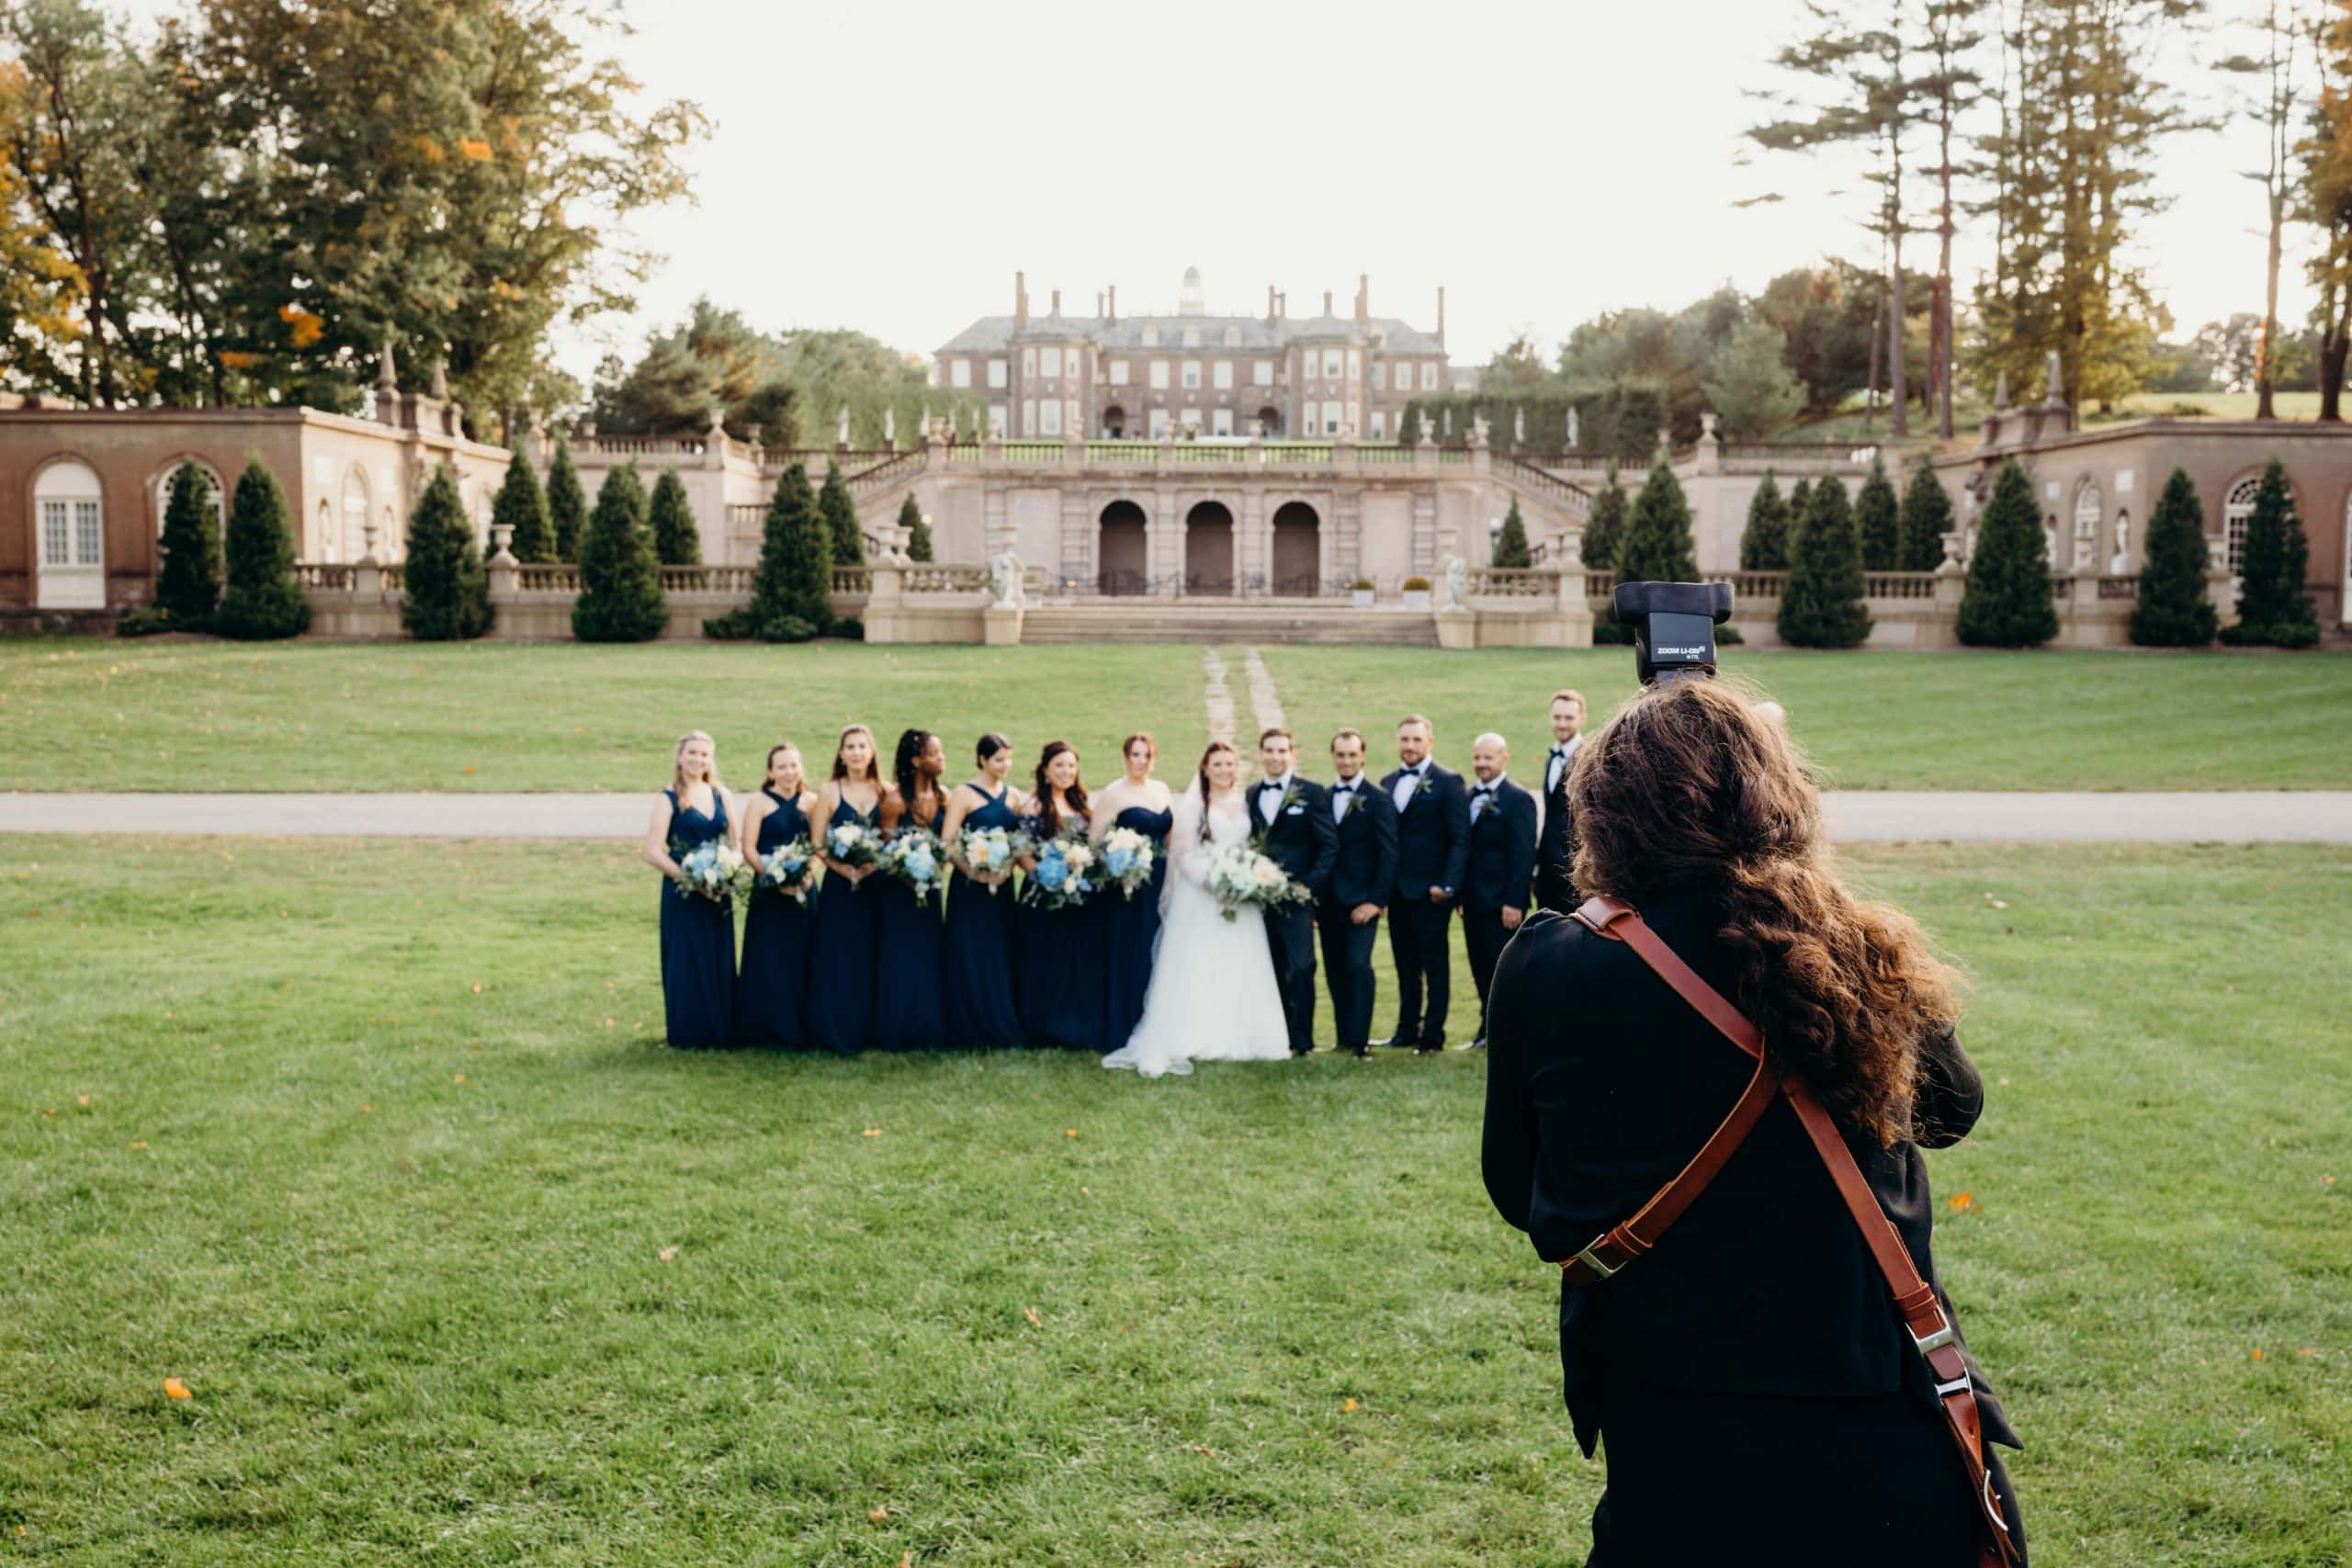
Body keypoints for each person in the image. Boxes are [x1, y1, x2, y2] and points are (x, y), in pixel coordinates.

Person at [1481, 678, 2026, 1566]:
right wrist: (1819, 898)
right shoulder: (1846, 945)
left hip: (1667, 1414)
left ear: (1607, 814)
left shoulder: (1552, 964)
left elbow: (1519, 1190)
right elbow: (1954, 1110)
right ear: (1776, 799)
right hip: (1868, 1415)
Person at [1103, 739, 1292, 1077]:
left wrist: (1247, 880)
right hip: (1203, 895)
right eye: (1217, 764)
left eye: (1229, 764)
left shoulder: (1245, 802)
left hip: (1241, 899)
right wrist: (1216, 885)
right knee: (1201, 964)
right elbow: (1183, 855)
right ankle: (1197, 1034)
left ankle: (1247, 1036)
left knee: (1240, 963)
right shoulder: (1194, 807)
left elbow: (1249, 846)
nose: (1224, 770)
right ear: (1205, 769)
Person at [1377, 714, 1470, 1053]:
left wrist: (1447, 886)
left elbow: (1460, 839)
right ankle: (1406, 1030)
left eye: (1417, 740)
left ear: (1429, 742)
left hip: (1431, 892)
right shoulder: (1386, 783)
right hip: (1397, 892)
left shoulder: (1448, 781)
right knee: (1405, 965)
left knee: (1435, 965)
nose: (1410, 746)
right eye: (1405, 739)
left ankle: (1433, 1036)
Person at [643, 729, 738, 1049]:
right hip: (683, 894)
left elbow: (734, 845)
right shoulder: (668, 798)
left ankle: (720, 1030)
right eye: (693, 753)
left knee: (717, 954)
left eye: (704, 754)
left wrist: (725, 874)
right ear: (681, 758)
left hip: (717, 893)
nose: (698, 759)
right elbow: (654, 851)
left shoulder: (721, 795)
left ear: (711, 759)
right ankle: (685, 1034)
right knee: (685, 959)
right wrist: (692, 879)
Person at [1249, 727, 1335, 1055]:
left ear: (1292, 754)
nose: (1275, 757)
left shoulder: (1311, 793)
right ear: (1260, 754)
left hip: (1298, 897)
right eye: (1269, 750)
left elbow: (1329, 845)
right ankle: (1278, 1036)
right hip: (1260, 898)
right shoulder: (1252, 793)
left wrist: (1308, 886)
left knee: (1301, 967)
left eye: (1281, 751)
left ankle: (1303, 1039)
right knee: (1271, 967)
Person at [1018, 740, 1110, 1049]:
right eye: (1059, 765)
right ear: (1045, 770)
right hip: (1046, 895)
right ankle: (1047, 1026)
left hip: (1081, 895)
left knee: (1079, 958)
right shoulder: (1034, 807)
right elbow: (1023, 852)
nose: (1066, 771)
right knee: (1049, 958)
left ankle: (1079, 1025)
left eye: (1071, 765)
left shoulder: (1083, 806)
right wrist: (1045, 878)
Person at [938, 732, 1027, 1049]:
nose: (1005, 765)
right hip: (969, 888)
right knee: (969, 950)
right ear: (982, 760)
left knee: (998, 951)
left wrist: (1006, 869)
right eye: (998, 760)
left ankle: (998, 1021)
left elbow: (1020, 843)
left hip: (1001, 887)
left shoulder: (1015, 796)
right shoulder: (964, 794)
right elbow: (948, 841)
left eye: (1008, 759)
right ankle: (966, 1026)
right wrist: (972, 870)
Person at [1317, 728, 1398, 1058]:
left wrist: (1376, 901)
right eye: (1341, 755)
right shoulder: (1322, 797)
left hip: (1362, 902)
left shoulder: (1378, 798)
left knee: (1358, 965)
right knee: (1335, 969)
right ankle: (1344, 1037)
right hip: (1328, 903)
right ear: (1333, 757)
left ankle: (1361, 1042)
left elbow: (1388, 853)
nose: (1347, 761)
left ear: (1362, 756)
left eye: (1352, 755)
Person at [1092, 732, 1175, 1051]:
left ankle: (1153, 1020)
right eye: (1135, 755)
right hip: (1126, 885)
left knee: (1156, 950)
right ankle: (1123, 1024)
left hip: (1156, 880)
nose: (1141, 762)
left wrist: (1170, 883)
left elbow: (1171, 841)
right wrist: (1120, 866)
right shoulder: (1114, 793)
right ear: (1125, 758)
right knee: (1131, 949)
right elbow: (1096, 842)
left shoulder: (1162, 789)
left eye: (1146, 755)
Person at [808, 723, 886, 1054]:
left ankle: (872, 1028)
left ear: (871, 752)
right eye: (850, 747)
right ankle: (837, 1028)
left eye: (862, 746)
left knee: (874, 951)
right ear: (841, 754)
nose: (856, 752)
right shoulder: (829, 791)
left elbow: (892, 838)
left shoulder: (886, 791)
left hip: (876, 885)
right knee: (840, 955)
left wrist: (871, 865)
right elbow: (817, 842)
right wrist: (842, 869)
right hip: (840, 887)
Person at [735, 741, 818, 1048]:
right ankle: (765, 1027)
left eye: (794, 765)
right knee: (769, 957)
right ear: (771, 771)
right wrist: (772, 876)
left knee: (803, 953)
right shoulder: (759, 802)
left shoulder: (811, 801)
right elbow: (748, 848)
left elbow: (817, 844)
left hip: (804, 889)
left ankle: (802, 1025)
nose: (789, 772)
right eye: (782, 766)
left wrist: (805, 874)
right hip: (769, 890)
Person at [872, 728, 948, 1051]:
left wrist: (933, 869)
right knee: (900, 956)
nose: (942, 759)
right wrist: (910, 873)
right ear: (917, 760)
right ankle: (897, 1028)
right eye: (935, 754)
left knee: (930, 954)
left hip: (930, 887)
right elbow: (884, 849)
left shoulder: (945, 795)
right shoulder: (895, 801)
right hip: (898, 891)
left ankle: (928, 1027)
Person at [1459, 731, 1536, 1051]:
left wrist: (1514, 900)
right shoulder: (1466, 797)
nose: (1481, 764)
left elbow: (1523, 854)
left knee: (1500, 969)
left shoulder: (1518, 799)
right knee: (1479, 967)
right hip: (1472, 902)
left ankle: (1505, 1034)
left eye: (1488, 758)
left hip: (1503, 904)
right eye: (1477, 757)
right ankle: (1485, 1028)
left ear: (1504, 758)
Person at [1533, 688, 1585, 913]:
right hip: (1547, 872)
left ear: (1582, 719)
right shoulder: (1551, 758)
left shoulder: (1588, 758)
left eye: (1569, 718)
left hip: (1574, 875)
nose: (1562, 724)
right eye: (1557, 717)